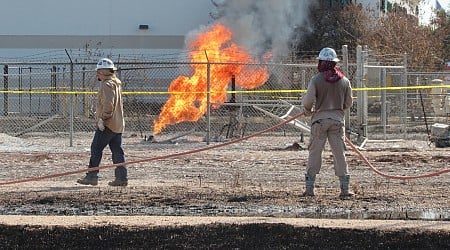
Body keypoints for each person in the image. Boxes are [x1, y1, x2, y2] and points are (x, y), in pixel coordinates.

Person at [302, 47, 353, 198]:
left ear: (321, 63)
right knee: (339, 154)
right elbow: (349, 103)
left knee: (315, 153)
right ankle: (345, 190)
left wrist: (308, 110)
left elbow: (308, 101)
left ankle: (310, 189)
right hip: (337, 121)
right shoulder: (344, 81)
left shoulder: (316, 80)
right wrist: (338, 110)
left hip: (319, 121)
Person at [77, 58, 128, 187]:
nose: (97, 74)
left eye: (99, 71)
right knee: (117, 151)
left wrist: (102, 119)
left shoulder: (107, 84)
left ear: (104, 71)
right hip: (118, 124)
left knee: (96, 148)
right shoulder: (116, 83)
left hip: (108, 125)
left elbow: (108, 105)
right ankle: (122, 178)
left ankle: (92, 176)